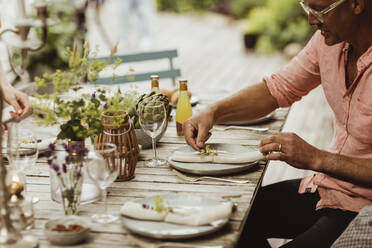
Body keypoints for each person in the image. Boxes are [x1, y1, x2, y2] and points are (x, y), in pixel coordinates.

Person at [183, 0, 372, 247]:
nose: (311, 21)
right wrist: (213, 112)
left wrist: (318, 158)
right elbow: (276, 89)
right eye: (307, 8)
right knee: (232, 220)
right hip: (328, 189)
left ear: (357, 4)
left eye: (319, 10)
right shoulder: (331, 43)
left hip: (364, 211)